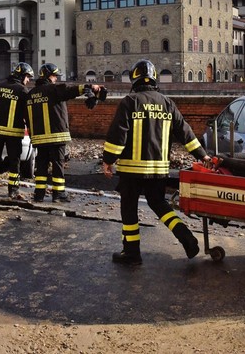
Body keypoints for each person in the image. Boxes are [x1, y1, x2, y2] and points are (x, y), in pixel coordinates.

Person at [101, 59, 211, 265]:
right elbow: (185, 132)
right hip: (158, 169)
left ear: (134, 79)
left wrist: (108, 160)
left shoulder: (129, 101)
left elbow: (118, 135)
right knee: (159, 204)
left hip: (131, 170)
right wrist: (201, 155)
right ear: (154, 79)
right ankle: (187, 238)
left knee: (129, 209)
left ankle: (132, 253)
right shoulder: (167, 103)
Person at [26, 63, 102, 202]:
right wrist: (89, 87)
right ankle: (58, 194)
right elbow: (71, 90)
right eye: (55, 76)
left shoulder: (31, 94)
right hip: (56, 136)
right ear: (49, 76)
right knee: (57, 165)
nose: (56, 78)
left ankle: (39, 194)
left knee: (41, 166)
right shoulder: (54, 89)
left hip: (39, 138)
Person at [0, 62, 34, 199]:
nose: (28, 80)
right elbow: (27, 113)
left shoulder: (0, 86)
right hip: (14, 132)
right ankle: (13, 190)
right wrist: (31, 129)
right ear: (22, 76)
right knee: (14, 161)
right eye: (27, 77)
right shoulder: (22, 90)